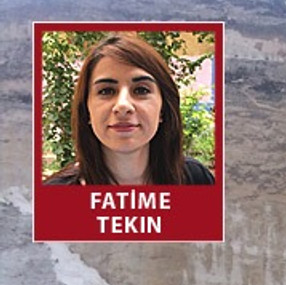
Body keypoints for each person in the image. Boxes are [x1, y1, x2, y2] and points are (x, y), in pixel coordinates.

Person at [44, 34, 214, 186]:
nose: (123, 105)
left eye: (141, 90)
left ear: (163, 109)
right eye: (106, 91)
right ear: (87, 110)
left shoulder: (197, 180)